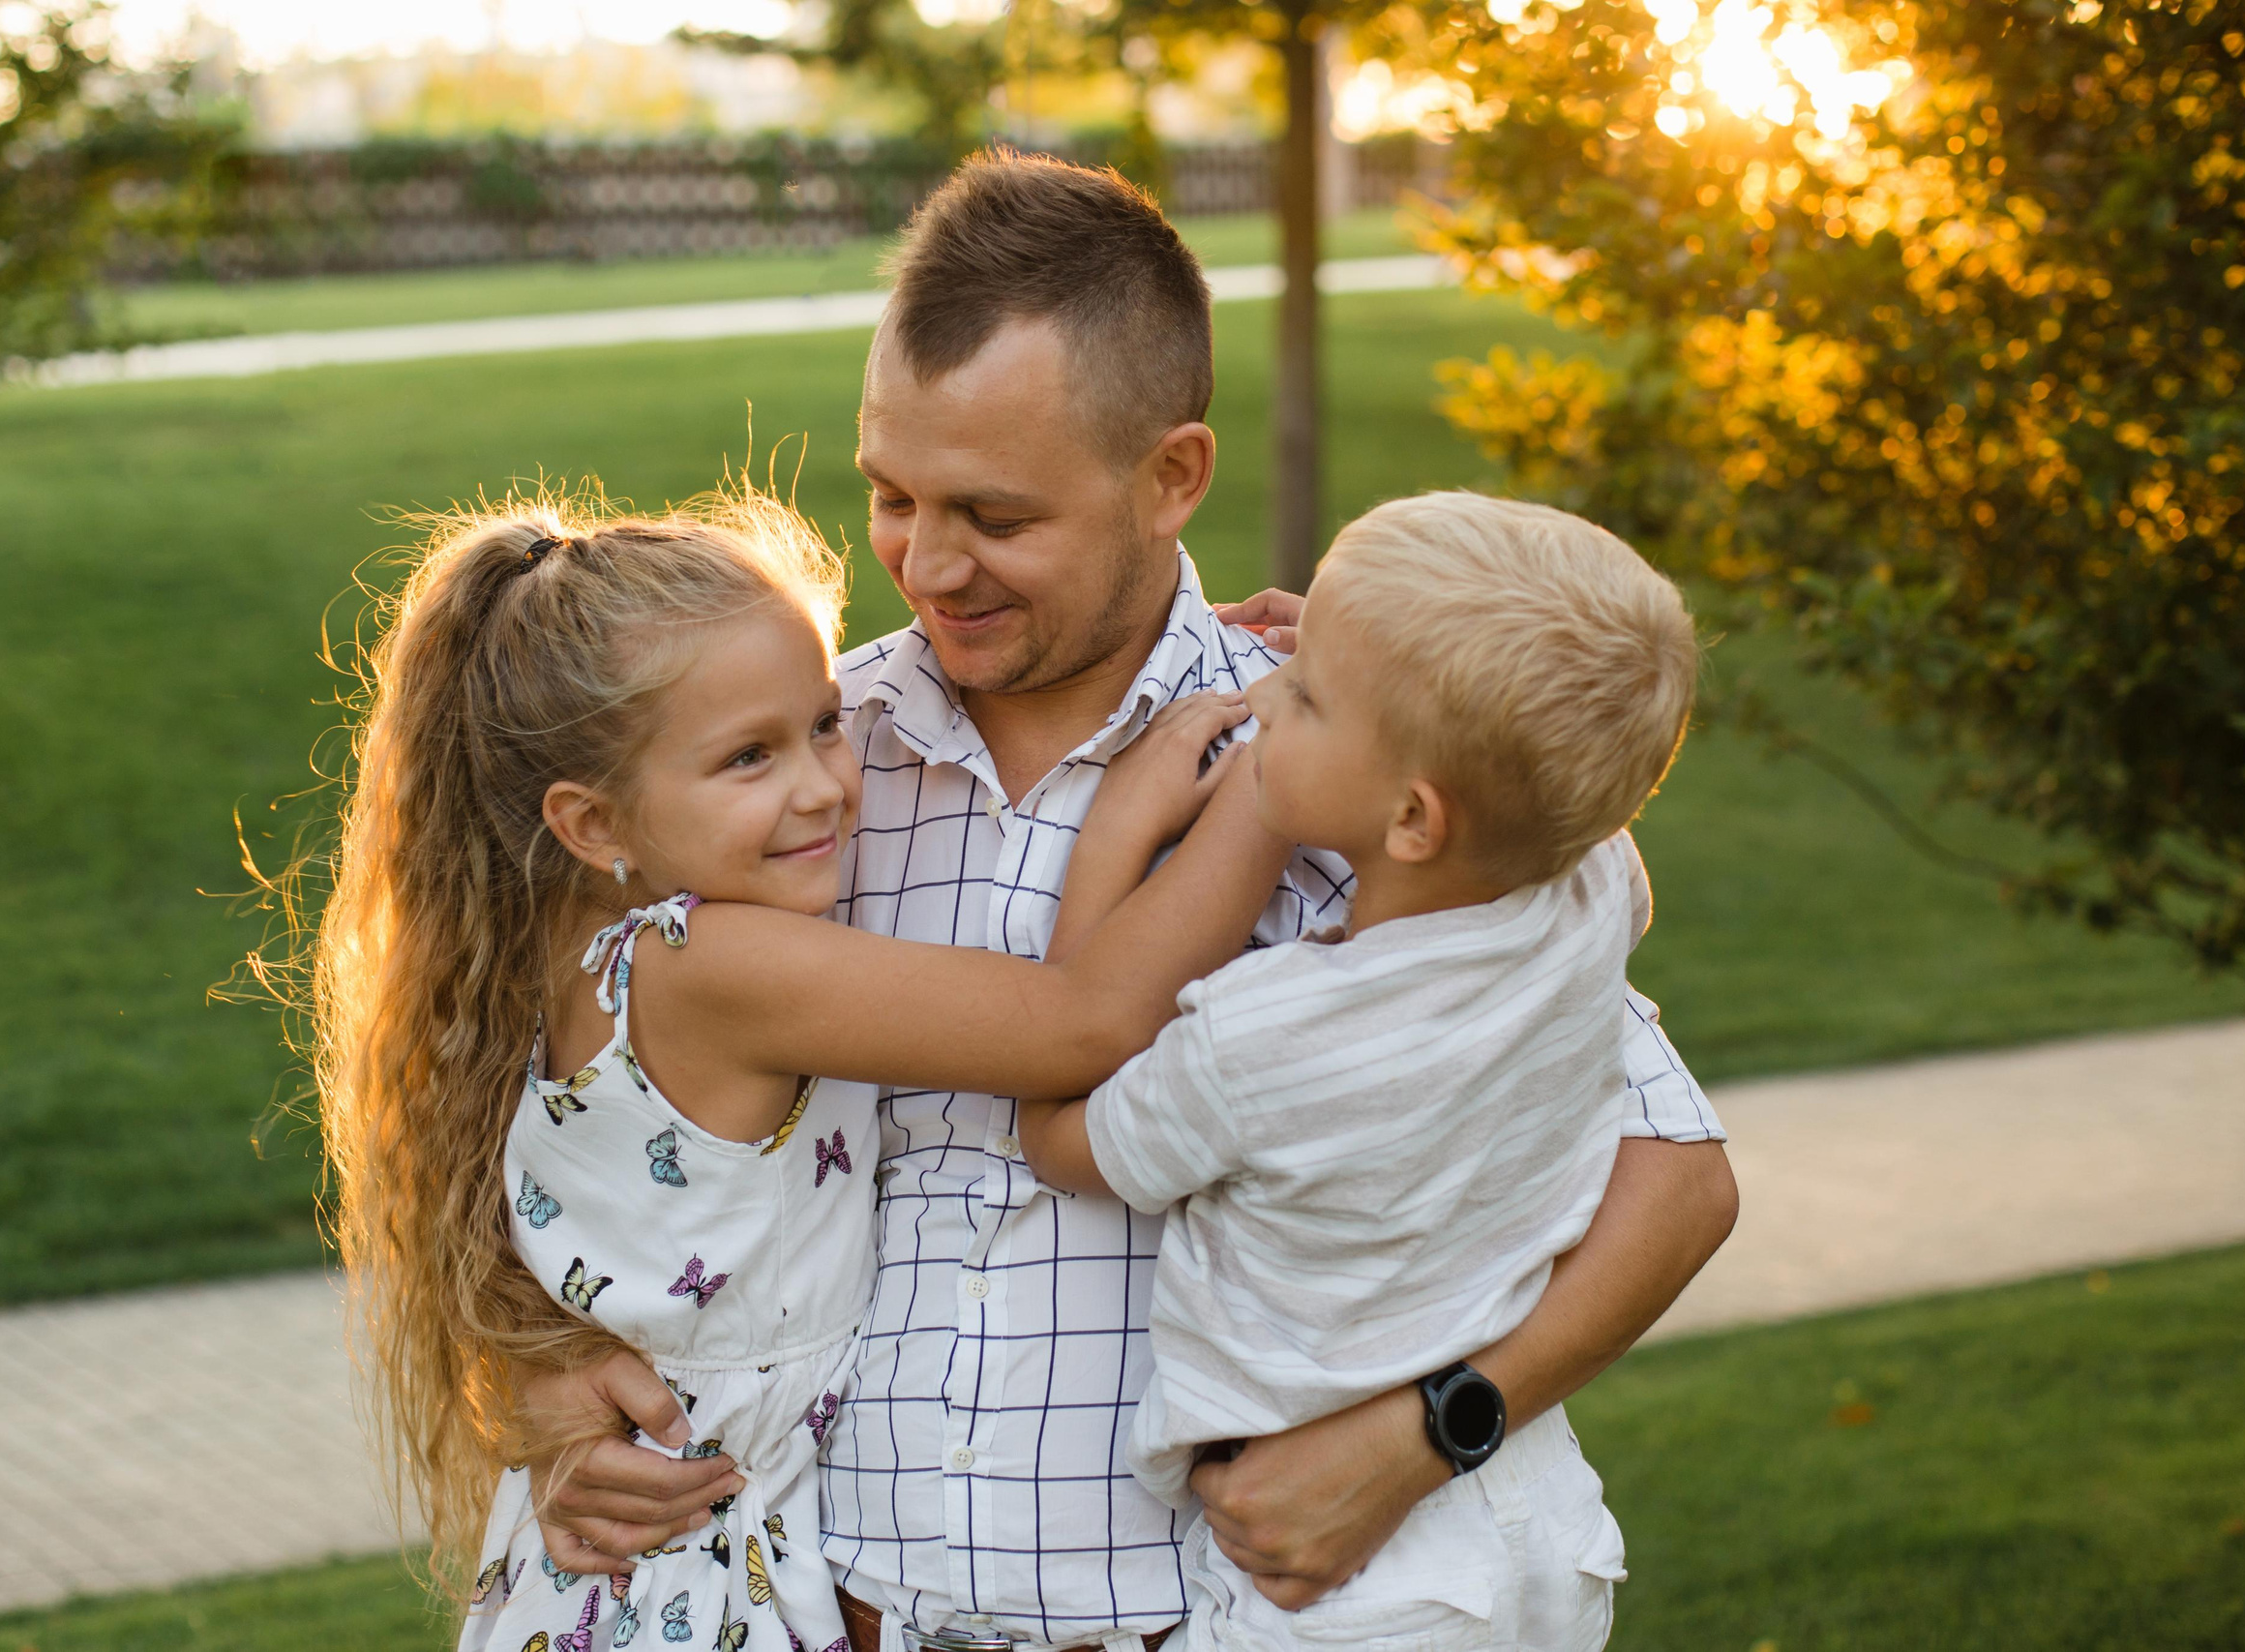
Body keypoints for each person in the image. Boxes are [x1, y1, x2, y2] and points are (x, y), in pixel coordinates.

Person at [522, 152, 1738, 1651]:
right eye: (892, 495)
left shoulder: (1350, 762)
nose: (929, 563)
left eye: (996, 514)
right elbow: (588, 1124)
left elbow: (1673, 1174)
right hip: (848, 1614)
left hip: (1209, 1615)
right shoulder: (791, 777)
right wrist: (523, 1369)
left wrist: (1435, 1428)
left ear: (1172, 476)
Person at [306, 487, 1295, 1652]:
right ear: (592, 821)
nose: (822, 786)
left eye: (824, 723)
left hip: (611, 1576)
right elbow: (1082, 1024)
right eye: (746, 759)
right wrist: (1258, 779)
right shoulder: (713, 964)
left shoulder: (551, 958)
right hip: (708, 1579)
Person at [1018, 493, 1699, 1650]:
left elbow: (1060, 1126)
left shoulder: (1263, 1041)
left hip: (1341, 1583)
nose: (1267, 687)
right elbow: (1568, 808)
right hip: (1536, 1523)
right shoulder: (1586, 900)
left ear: (1415, 817)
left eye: (1308, 694)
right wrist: (1367, 675)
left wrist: (1117, 837)